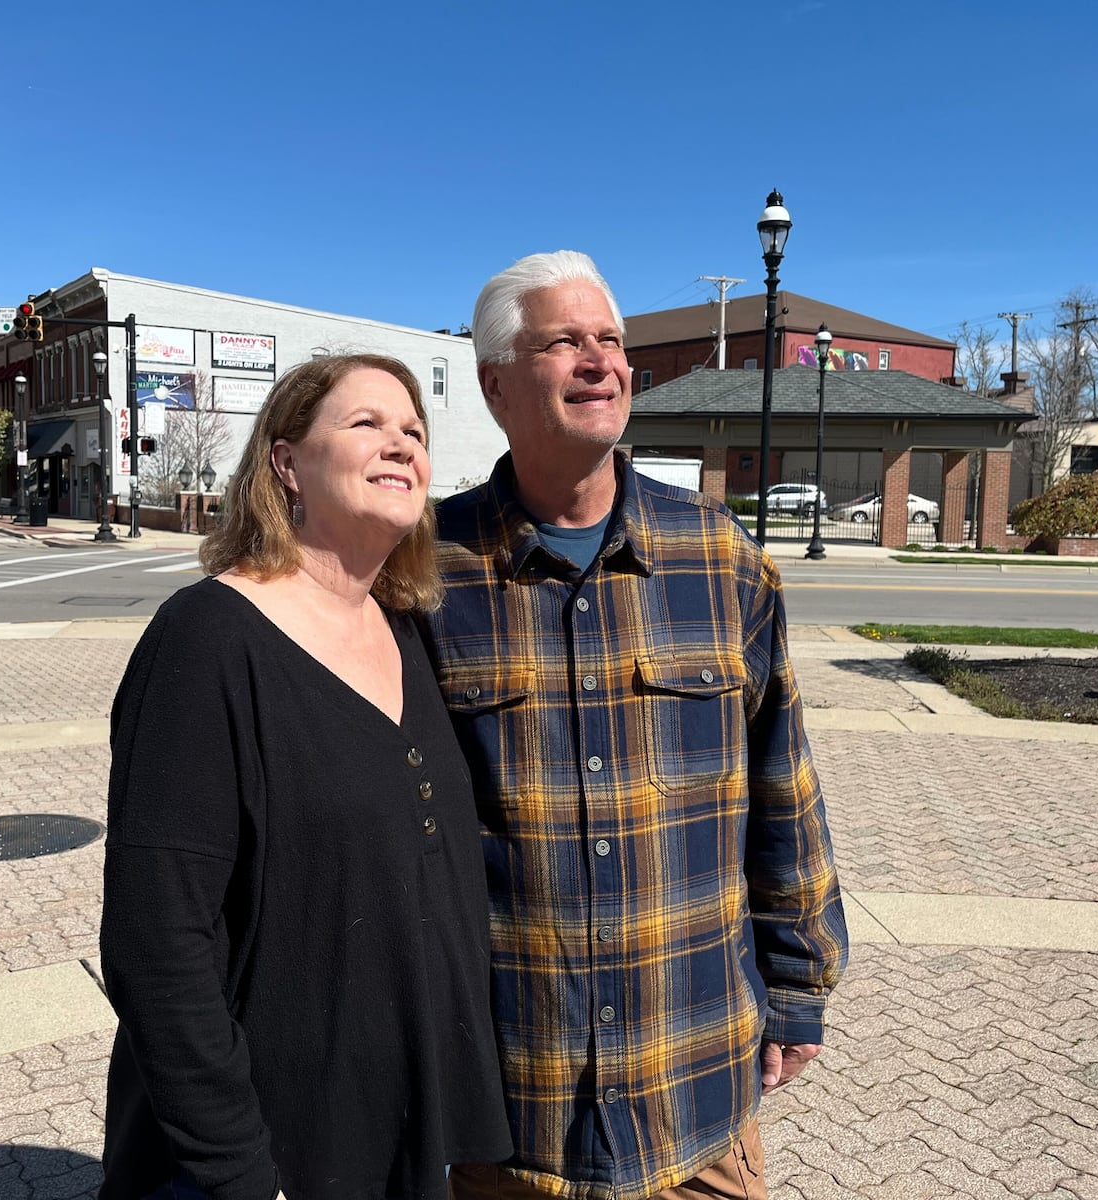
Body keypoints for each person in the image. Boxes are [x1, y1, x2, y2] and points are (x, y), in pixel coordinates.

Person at [423, 252, 849, 1200]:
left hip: (691, 1097)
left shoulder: (719, 557)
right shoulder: (426, 571)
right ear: (495, 384)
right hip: (510, 1110)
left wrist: (798, 987)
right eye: (563, 341)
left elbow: (783, 781)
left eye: (609, 340)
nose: (600, 361)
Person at [99, 353, 512, 1200]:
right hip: (267, 1152)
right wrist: (238, 1170)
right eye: (366, 424)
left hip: (390, 1134)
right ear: (286, 462)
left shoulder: (401, 632)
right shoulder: (207, 640)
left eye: (414, 432)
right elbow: (156, 941)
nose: (400, 444)